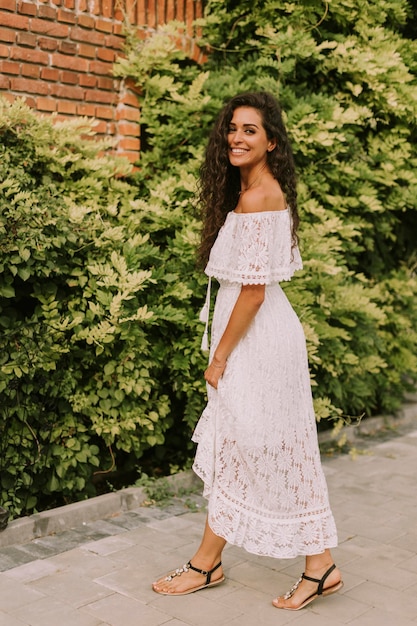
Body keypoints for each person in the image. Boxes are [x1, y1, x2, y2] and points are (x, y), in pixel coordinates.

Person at [152, 92, 343, 610]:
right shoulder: (245, 191)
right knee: (242, 447)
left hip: (257, 340)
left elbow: (254, 292)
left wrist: (219, 357)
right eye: (232, 128)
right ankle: (213, 561)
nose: (237, 137)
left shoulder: (262, 195)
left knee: (270, 447)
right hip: (248, 334)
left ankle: (311, 563)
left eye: (250, 130)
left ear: (271, 142)